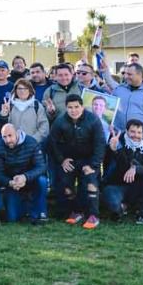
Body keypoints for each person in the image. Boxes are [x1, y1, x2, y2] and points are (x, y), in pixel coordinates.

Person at [47, 94, 104, 228]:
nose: (74, 110)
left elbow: (100, 144)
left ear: (82, 107)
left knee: (90, 183)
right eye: (70, 107)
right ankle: (77, 211)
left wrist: (93, 165)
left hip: (89, 159)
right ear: (66, 108)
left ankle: (93, 215)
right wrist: (62, 160)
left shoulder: (93, 120)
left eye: (76, 107)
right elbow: (53, 142)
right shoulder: (60, 121)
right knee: (66, 185)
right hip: (70, 159)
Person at [100, 120, 143, 225]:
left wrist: (135, 168)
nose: (136, 135)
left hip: (135, 187)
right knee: (113, 204)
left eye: (139, 132)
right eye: (133, 132)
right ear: (126, 131)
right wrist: (112, 150)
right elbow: (112, 163)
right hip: (116, 185)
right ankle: (122, 208)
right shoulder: (116, 142)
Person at [0, 121, 48, 224]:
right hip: (12, 183)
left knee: (42, 180)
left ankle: (40, 212)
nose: (8, 140)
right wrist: (10, 182)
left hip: (30, 180)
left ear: (17, 133)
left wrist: (25, 177)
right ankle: (26, 209)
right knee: (12, 218)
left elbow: (41, 167)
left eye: (10, 136)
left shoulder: (32, 142)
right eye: (4, 137)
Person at [0, 78, 49, 144]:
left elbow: (44, 126)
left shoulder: (37, 105)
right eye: (19, 89)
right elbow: (2, 128)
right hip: (13, 145)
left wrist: (33, 140)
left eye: (25, 88)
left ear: (30, 90)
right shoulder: (9, 105)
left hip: (32, 145)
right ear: (15, 90)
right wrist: (3, 116)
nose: (22, 91)